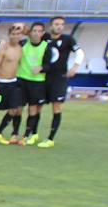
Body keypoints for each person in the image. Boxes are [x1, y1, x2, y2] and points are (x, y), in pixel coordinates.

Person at [33, 15, 82, 147]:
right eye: (56, 24)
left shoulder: (68, 39)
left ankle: (50, 138)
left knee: (56, 106)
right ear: (51, 26)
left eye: (61, 24)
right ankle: (33, 133)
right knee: (37, 106)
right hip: (43, 77)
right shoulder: (46, 37)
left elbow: (80, 52)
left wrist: (75, 66)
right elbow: (32, 37)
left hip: (59, 78)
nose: (59, 26)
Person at [0, 24, 27, 145]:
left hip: (13, 84)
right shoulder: (3, 47)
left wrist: (21, 26)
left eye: (18, 34)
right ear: (9, 35)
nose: (15, 36)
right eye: (13, 34)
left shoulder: (21, 48)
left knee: (14, 109)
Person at [15, 22, 48, 141]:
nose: (36, 33)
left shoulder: (46, 46)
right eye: (34, 31)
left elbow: (50, 64)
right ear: (30, 32)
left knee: (33, 109)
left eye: (39, 31)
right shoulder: (23, 43)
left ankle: (26, 135)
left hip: (38, 82)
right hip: (22, 79)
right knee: (17, 108)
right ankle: (15, 133)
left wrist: (41, 68)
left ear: (43, 33)